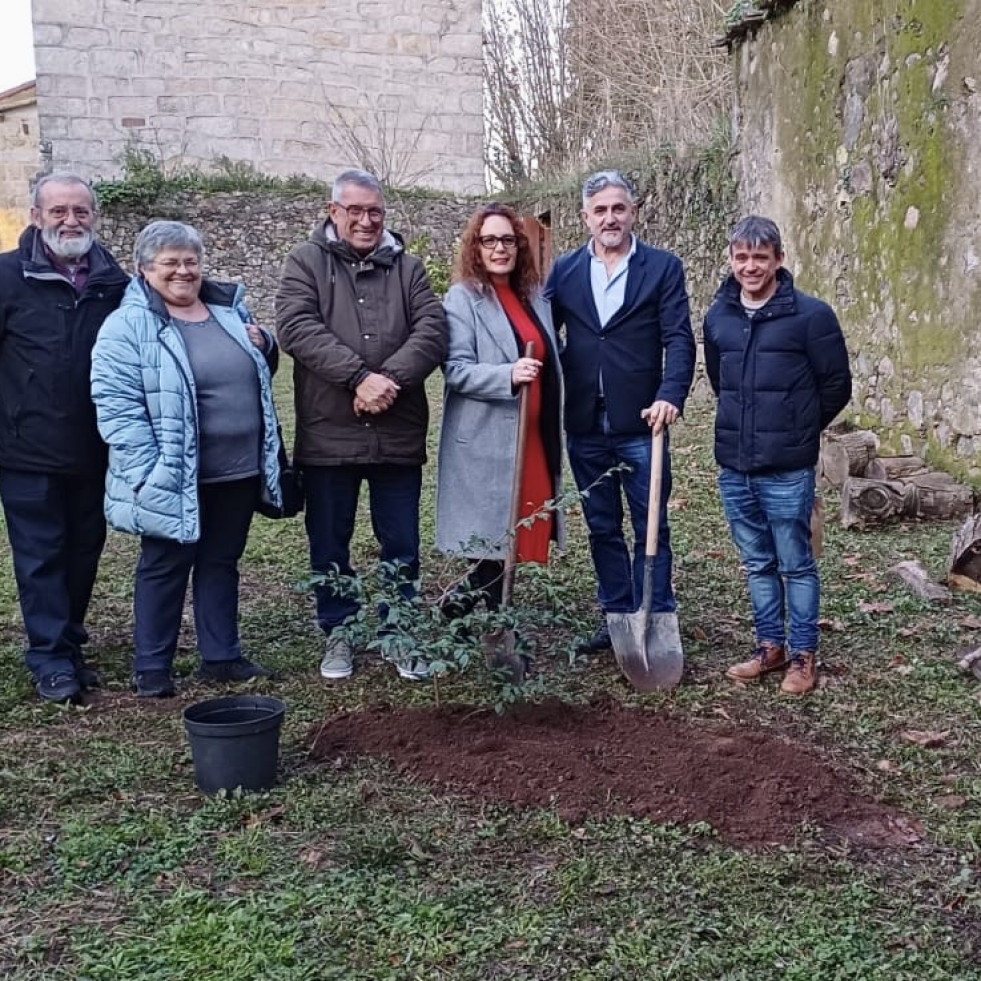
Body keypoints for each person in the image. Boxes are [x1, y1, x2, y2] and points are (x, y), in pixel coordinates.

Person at [90, 221, 282, 698]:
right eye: (170, 263)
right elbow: (115, 404)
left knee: (221, 560)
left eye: (191, 262)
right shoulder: (127, 325)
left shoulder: (228, 310)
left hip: (237, 467)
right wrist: (148, 470)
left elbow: (257, 368)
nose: (183, 271)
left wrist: (268, 345)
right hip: (172, 470)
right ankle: (152, 667)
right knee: (164, 563)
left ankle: (221, 656)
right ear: (144, 270)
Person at [276, 169, 447, 683]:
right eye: (355, 211)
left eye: (375, 211)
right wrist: (356, 377)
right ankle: (340, 631)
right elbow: (295, 326)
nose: (366, 220)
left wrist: (386, 380)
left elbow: (432, 329)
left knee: (401, 542)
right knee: (329, 543)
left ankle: (399, 631)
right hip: (329, 434)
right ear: (334, 212)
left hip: (397, 432)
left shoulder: (409, 268)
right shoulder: (305, 263)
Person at [546, 170, 696, 653]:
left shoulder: (662, 267)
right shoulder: (565, 272)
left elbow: (678, 337)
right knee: (601, 525)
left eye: (618, 208)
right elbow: (543, 334)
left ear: (632, 211)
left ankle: (654, 613)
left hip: (643, 421)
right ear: (585, 217)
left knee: (650, 521)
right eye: (600, 210)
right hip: (585, 422)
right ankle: (617, 614)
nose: (610, 218)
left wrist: (670, 394)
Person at [703, 216, 851, 695]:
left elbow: (836, 387)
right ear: (731, 260)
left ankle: (804, 655)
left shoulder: (812, 317)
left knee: (796, 563)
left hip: (786, 468)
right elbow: (719, 381)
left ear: (779, 260)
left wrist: (796, 429)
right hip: (735, 466)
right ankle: (771, 647)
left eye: (760, 258)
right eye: (741, 257)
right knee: (758, 563)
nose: (750, 267)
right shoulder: (718, 317)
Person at [0, 172, 129, 703]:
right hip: (24, 446)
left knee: (84, 549)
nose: (71, 221)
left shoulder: (114, 282)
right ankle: (50, 657)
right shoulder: (7, 276)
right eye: (59, 212)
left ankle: (70, 640)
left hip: (95, 445)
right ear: (36, 216)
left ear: (94, 218)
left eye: (81, 212)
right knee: (40, 554)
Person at [436, 203, 564, 664]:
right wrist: (508, 374)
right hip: (489, 441)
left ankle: (465, 613)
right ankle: (492, 636)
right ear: (476, 246)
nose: (499, 248)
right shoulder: (462, 299)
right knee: (495, 542)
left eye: (507, 240)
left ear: (519, 245)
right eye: (489, 240)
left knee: (517, 539)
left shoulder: (535, 295)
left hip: (532, 440)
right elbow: (456, 371)